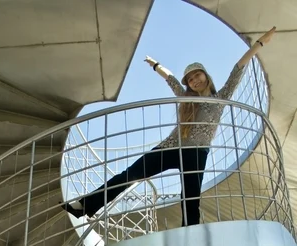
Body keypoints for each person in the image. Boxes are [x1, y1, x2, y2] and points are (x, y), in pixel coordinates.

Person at [61, 27, 276, 225]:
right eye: (190, 79)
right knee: (129, 175)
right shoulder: (186, 99)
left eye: (197, 75)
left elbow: (238, 69)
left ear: (206, 76)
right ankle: (85, 206)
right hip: (170, 147)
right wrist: (156, 66)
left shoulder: (221, 97)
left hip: (196, 152)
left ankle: (190, 233)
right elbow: (171, 79)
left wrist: (259, 44)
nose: (194, 80)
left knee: (190, 197)